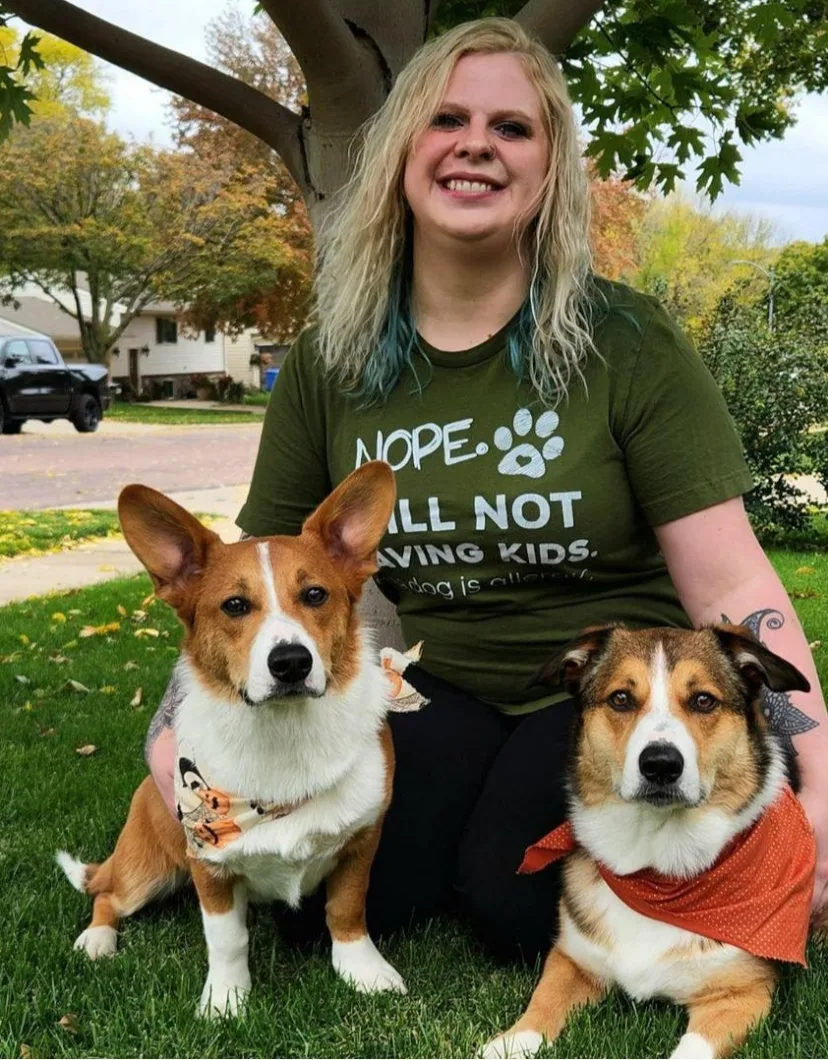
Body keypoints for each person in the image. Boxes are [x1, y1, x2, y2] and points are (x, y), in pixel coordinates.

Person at [146, 18, 828, 962]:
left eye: (513, 128)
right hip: (437, 685)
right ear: (401, 154)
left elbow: (729, 586)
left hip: (609, 684)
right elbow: (249, 576)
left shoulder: (624, 342)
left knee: (509, 913)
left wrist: (816, 780)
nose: (476, 143)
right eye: (446, 119)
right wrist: (178, 735)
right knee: (332, 905)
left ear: (550, 169)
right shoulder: (333, 360)